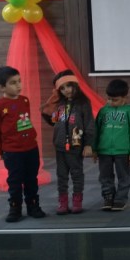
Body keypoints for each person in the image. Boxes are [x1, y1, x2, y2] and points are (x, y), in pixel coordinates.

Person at [0, 66, 46, 223]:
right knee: (15, 180)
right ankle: (15, 208)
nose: (18, 85)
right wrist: (1, 151)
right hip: (12, 151)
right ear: (2, 87)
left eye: (19, 81)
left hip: (31, 148)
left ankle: (33, 205)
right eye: (13, 83)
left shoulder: (24, 100)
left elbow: (25, 123)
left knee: (31, 178)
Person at [41, 70, 94, 215]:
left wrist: (88, 144)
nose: (66, 90)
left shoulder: (83, 103)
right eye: (62, 88)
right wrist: (49, 106)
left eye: (68, 86)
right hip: (60, 147)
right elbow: (55, 122)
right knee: (61, 175)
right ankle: (63, 202)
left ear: (75, 85)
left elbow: (89, 124)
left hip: (76, 146)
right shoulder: (60, 104)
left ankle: (77, 201)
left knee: (77, 174)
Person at [93, 79, 130, 211]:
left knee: (123, 176)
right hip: (104, 150)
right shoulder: (103, 111)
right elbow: (96, 130)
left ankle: (120, 199)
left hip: (122, 151)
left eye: (115, 100)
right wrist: (94, 148)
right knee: (105, 176)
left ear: (125, 98)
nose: (110, 102)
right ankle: (108, 196)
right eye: (108, 99)